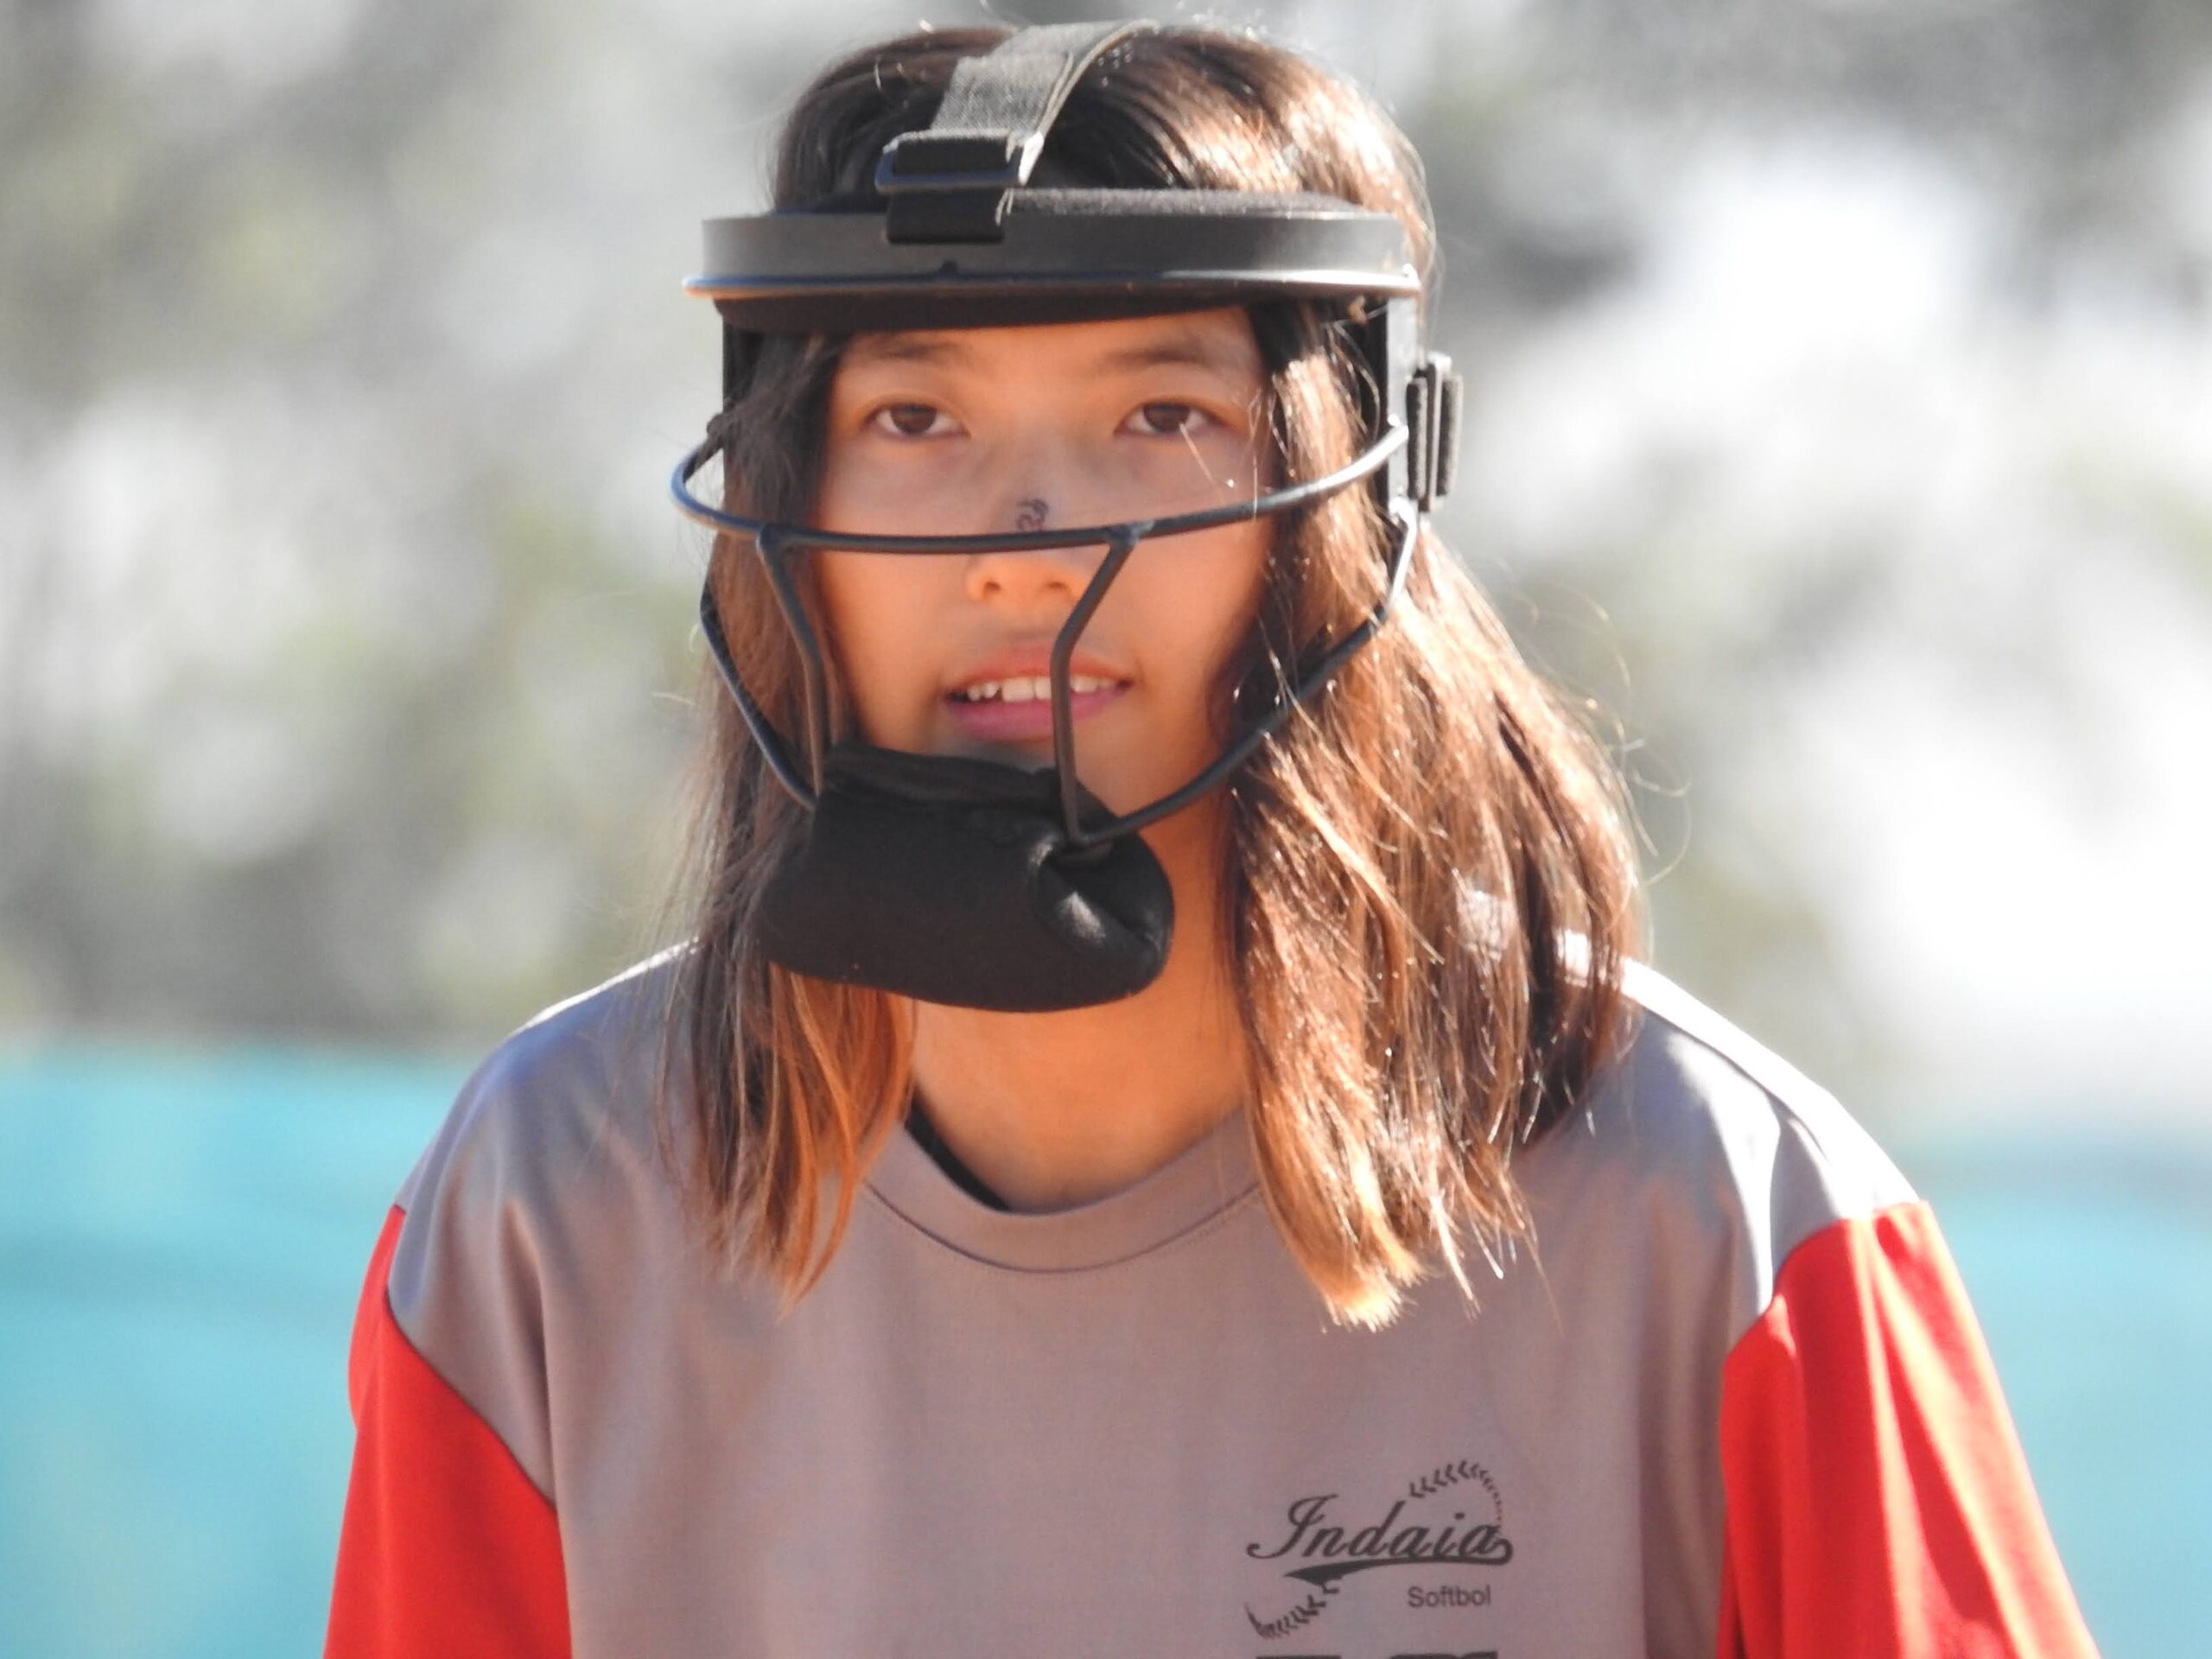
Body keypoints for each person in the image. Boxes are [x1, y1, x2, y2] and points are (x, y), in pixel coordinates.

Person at [323, 21, 2101, 1658]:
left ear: (1346, 508)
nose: (1023, 539)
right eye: (911, 419)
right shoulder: (545, 1213)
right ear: (780, 491)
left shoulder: (1728, 1221)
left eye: (1158, 416)